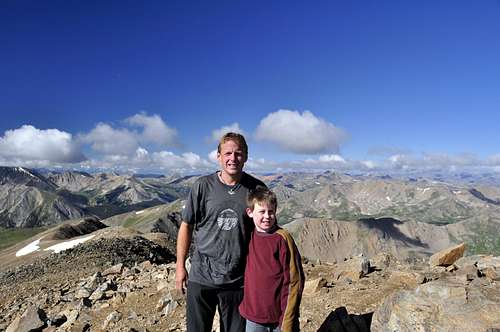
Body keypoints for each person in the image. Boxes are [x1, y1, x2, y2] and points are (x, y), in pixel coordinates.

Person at [175, 132, 266, 332]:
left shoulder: (256, 189)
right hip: (201, 277)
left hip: (238, 281)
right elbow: (186, 226)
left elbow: (264, 231)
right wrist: (180, 266)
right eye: (228, 153)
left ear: (246, 157)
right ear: (218, 156)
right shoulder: (202, 186)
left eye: (238, 154)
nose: (233, 158)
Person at [239, 187, 305, 332]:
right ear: (250, 213)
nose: (267, 216)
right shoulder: (247, 236)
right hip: (253, 317)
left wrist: (287, 321)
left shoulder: (282, 238)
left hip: (279, 318)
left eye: (271, 212)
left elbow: (294, 281)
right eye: (262, 212)